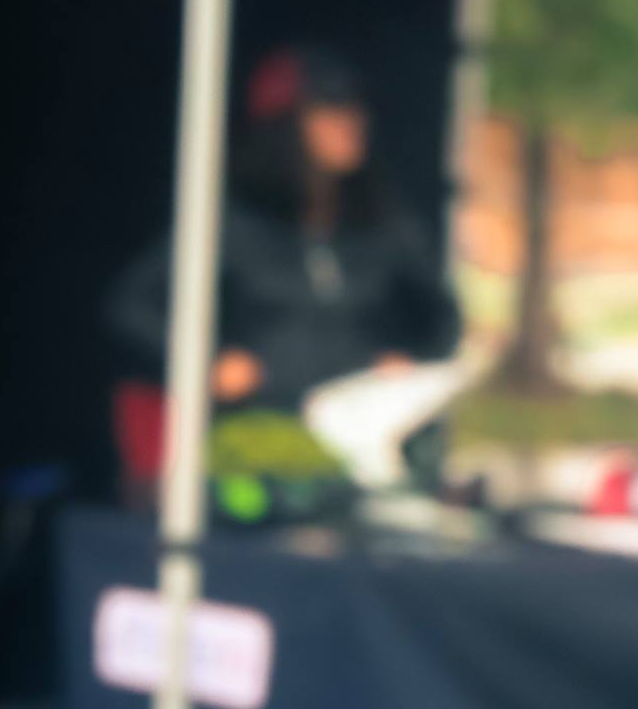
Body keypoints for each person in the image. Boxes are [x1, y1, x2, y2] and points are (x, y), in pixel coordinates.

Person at [108, 43, 465, 490]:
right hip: (259, 433)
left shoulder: (381, 221)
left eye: (354, 109)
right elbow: (131, 303)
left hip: (359, 434)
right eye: (329, 109)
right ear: (288, 124)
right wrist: (208, 360)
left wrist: (412, 361)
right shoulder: (235, 221)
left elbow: (444, 314)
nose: (350, 124)